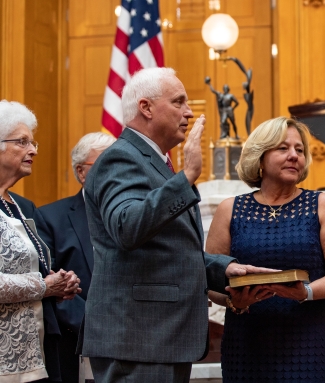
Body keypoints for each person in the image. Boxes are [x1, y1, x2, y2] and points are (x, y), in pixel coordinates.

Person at [79, 67, 272, 383]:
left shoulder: (151, 160)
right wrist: (186, 177)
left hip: (156, 337)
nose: (189, 112)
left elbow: (166, 247)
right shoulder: (122, 158)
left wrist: (222, 269)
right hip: (139, 338)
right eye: (179, 102)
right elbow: (127, 228)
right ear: (146, 108)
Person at [206, 117, 325, 382]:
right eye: (283, 149)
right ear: (260, 157)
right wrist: (233, 301)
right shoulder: (229, 210)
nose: (293, 156)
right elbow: (211, 281)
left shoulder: (322, 204)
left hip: (309, 343)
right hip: (247, 343)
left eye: (299, 150)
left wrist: (306, 292)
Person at [0, 100, 81, 382]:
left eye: (33, 143)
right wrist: (43, 286)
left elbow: (34, 267)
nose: (33, 150)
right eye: (22, 142)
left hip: (38, 348)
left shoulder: (21, 206)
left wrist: (59, 283)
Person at [37, 132, 116, 383]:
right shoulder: (50, 218)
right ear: (82, 172)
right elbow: (50, 282)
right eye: (106, 165)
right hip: (76, 344)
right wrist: (95, 328)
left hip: (133, 339)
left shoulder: (136, 216)